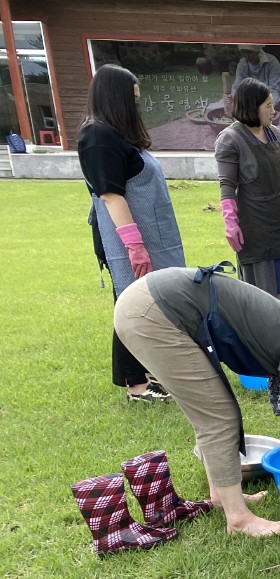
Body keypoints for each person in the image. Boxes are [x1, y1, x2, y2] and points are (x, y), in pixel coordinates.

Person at [113, 265, 280, 538]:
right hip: (154, 312)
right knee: (218, 418)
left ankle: (221, 496)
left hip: (149, 301)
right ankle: (238, 518)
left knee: (214, 413)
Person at [78, 63, 185, 403]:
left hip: (157, 236)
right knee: (131, 306)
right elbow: (110, 194)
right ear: (116, 98)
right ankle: (136, 386)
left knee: (156, 304)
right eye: (133, 99)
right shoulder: (96, 137)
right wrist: (135, 247)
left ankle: (153, 373)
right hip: (129, 240)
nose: (137, 106)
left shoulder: (119, 135)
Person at [215, 78, 280, 304]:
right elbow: (227, 186)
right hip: (259, 230)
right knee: (263, 298)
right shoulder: (230, 140)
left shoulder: (277, 135)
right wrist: (230, 223)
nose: (274, 111)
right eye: (268, 106)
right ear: (251, 107)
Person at [230, 44, 280, 123]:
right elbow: (237, 86)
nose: (246, 56)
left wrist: (264, 107)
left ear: (257, 51)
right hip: (254, 100)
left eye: (250, 53)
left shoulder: (272, 61)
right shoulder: (242, 64)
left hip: (273, 98)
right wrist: (233, 99)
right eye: (243, 53)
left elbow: (274, 89)